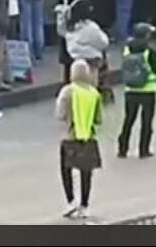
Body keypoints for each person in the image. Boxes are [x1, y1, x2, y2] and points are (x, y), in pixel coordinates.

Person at [55, 59, 104, 221]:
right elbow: (99, 119)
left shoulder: (67, 92)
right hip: (88, 137)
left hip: (70, 136)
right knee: (86, 173)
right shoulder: (94, 93)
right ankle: (85, 205)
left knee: (66, 169)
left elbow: (60, 115)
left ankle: (70, 201)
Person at [115, 23, 156, 159]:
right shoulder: (149, 52)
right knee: (146, 121)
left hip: (130, 90)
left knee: (128, 120)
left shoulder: (127, 50)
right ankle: (144, 150)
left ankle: (122, 149)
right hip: (147, 91)